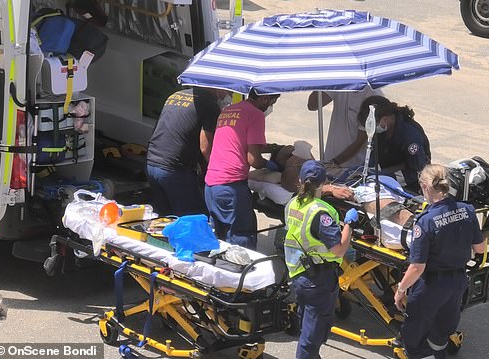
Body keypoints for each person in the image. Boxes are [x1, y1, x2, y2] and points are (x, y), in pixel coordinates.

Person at [394, 164, 489, 359]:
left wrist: (401, 289)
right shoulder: (467, 210)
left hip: (430, 287)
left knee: (414, 337)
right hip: (457, 283)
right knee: (441, 332)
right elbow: (480, 248)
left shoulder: (426, 221)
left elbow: (417, 267)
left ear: (426, 187)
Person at [284, 160, 358, 359]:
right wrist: (349, 224)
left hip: (298, 273)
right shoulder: (320, 212)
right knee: (312, 335)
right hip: (318, 278)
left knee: (305, 322)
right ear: (324, 182)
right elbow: (339, 250)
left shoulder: (293, 203)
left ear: (300, 180)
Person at [204, 89, 280, 250]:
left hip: (211, 186)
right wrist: (269, 165)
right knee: (242, 243)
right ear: (265, 98)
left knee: (218, 242)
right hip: (231, 188)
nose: (270, 107)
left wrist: (270, 148)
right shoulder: (256, 114)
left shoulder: (229, 110)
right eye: (272, 102)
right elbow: (253, 159)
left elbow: (236, 141)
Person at [146, 87, 231, 216]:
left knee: (164, 219)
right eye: (227, 90)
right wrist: (217, 171)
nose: (227, 95)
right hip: (174, 169)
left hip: (152, 163)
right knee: (195, 219)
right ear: (216, 87)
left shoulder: (175, 95)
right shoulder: (210, 105)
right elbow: (205, 147)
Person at [357, 95, 431, 193]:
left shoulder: (409, 135)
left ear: (386, 119)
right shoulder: (381, 131)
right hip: (388, 171)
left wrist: (383, 174)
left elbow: (418, 167)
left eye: (375, 124)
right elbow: (373, 157)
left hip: (410, 180)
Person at [307, 86, 383, 168]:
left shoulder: (373, 95)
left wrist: (333, 163)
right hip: (331, 161)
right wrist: (325, 81)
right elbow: (312, 105)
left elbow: (361, 141)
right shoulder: (341, 82)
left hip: (353, 168)